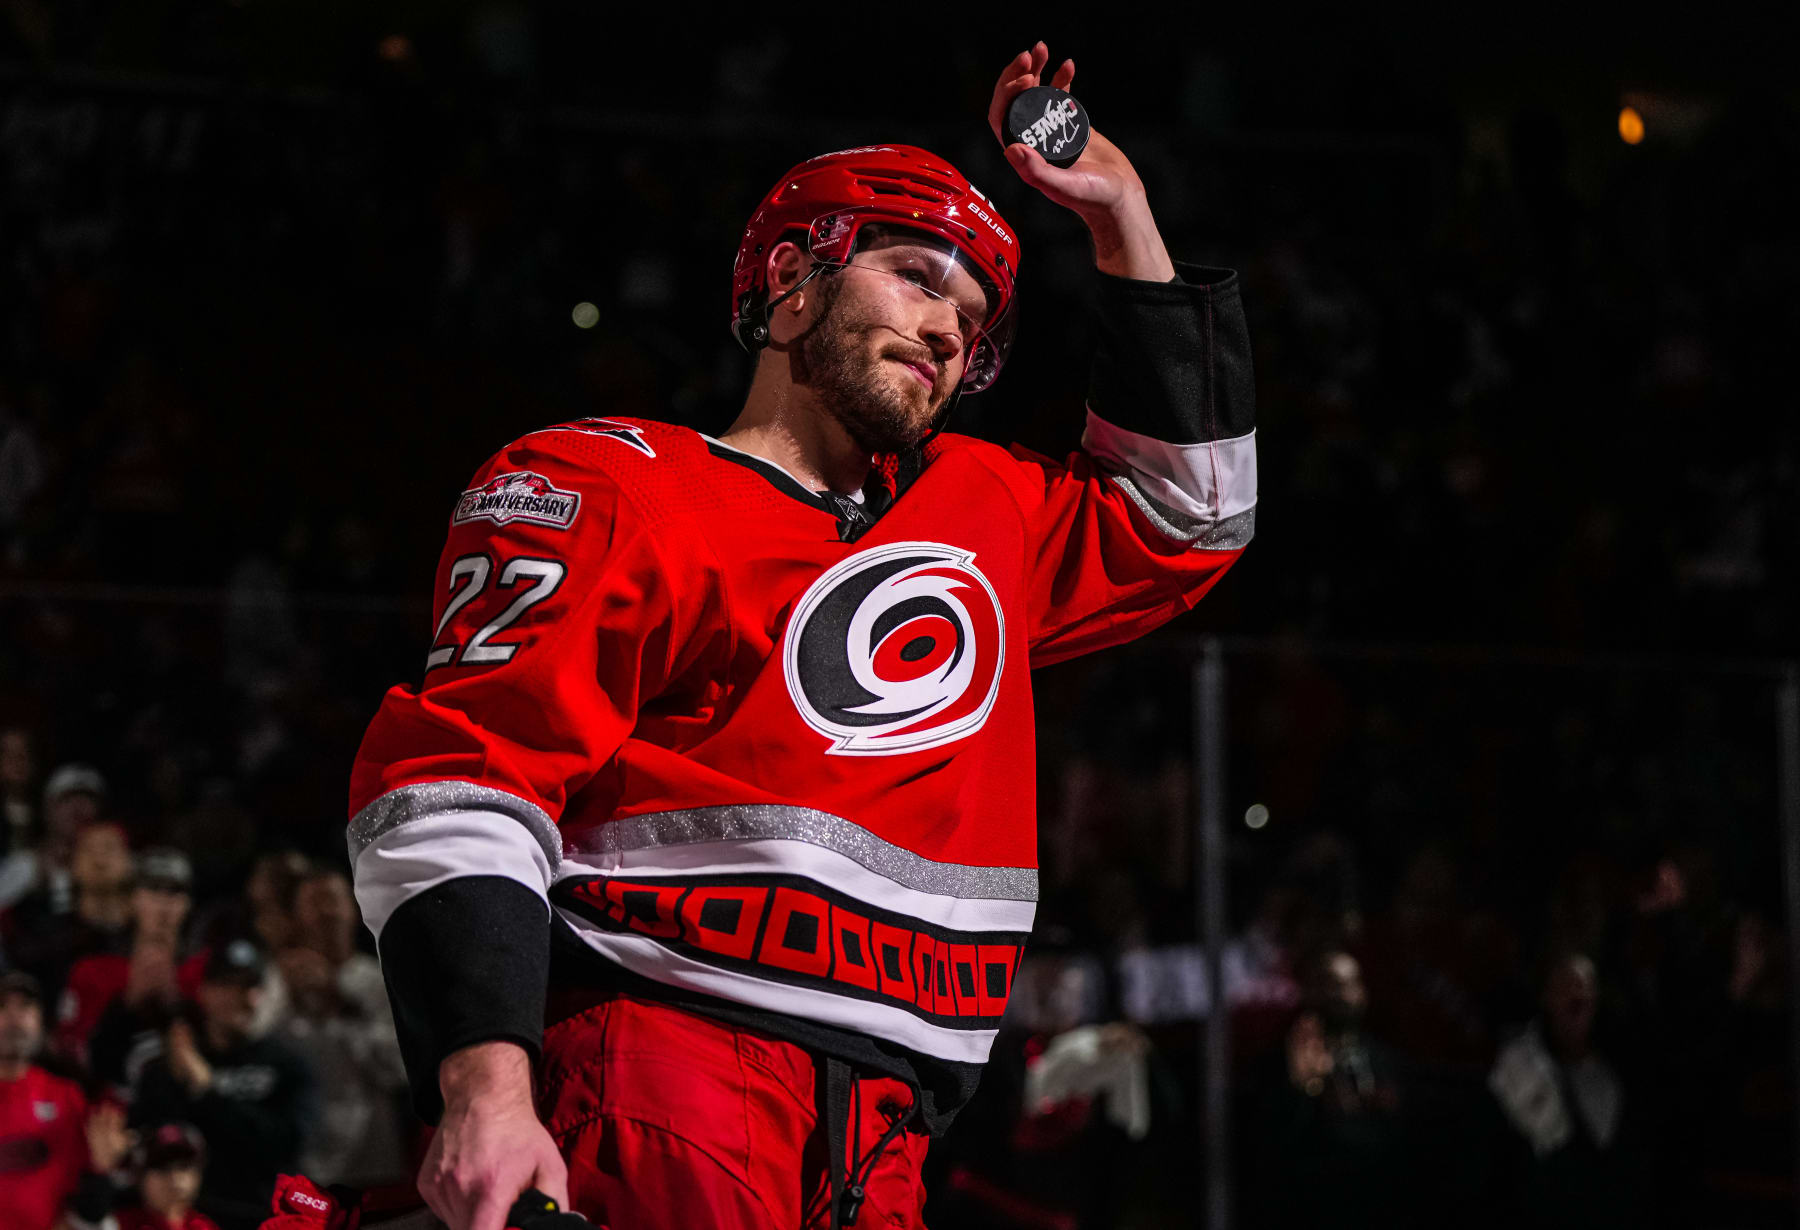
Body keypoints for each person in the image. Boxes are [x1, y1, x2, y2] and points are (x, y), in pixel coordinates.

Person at [349, 42, 1256, 1230]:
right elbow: (463, 783)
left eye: (975, 320)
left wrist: (1120, 209)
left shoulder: (979, 508)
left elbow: (1192, 513)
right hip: (663, 1069)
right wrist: (486, 1092)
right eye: (920, 278)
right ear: (791, 279)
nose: (949, 330)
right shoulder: (611, 482)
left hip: (888, 1135)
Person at [129, 939, 318, 1230]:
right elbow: (157, 1145)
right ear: (204, 992)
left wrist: (207, 1092)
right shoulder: (171, 1067)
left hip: (270, 1216)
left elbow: (288, 1143)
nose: (245, 998)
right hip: (195, 1220)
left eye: (252, 987)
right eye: (229, 986)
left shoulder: (289, 1065)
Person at [275, 867, 409, 1186]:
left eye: (333, 900)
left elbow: (400, 1071)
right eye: (313, 902)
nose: (325, 912)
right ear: (296, 916)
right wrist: (288, 1000)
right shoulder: (278, 978)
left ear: (353, 909)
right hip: (303, 1158)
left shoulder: (379, 980)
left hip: (373, 1158)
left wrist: (342, 1002)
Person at [65, 847, 207, 1082]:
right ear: (132, 899)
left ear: (188, 904)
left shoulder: (205, 970)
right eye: (152, 890)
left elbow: (227, 1053)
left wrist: (178, 1005)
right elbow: (72, 1054)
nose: (164, 905)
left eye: (174, 893)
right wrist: (126, 1004)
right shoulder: (93, 970)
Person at [0, 969, 89, 1230]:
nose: (14, 1017)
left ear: (41, 1022)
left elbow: (79, 1189)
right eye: (2, 1006)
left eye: (26, 1006)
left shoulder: (66, 1096)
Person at [70, 1116, 221, 1230]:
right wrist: (101, 1167)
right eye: (161, 1167)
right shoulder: (118, 1224)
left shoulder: (204, 1225)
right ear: (140, 1177)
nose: (175, 1178)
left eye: (184, 1167)